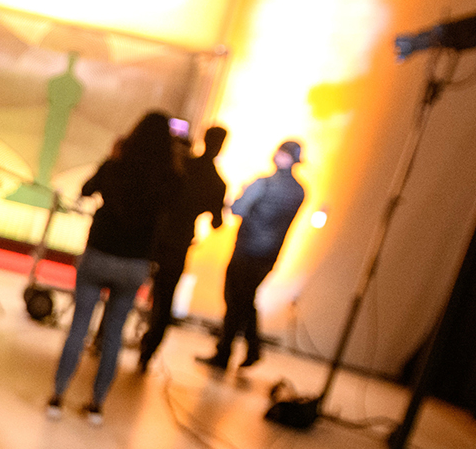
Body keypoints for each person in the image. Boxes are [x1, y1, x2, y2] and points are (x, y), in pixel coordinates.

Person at [48, 111, 183, 425]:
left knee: (79, 328)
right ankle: (96, 407)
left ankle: (57, 398)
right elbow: (173, 212)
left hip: (99, 254)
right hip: (134, 262)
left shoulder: (116, 165)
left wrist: (113, 158)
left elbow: (85, 189)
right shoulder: (170, 177)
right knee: (113, 336)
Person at [200, 139, 305, 370]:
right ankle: (251, 348)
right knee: (245, 300)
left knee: (236, 300)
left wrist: (242, 193)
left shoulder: (263, 184)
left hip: (246, 251)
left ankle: (226, 353)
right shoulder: (299, 191)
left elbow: (237, 209)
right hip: (269, 256)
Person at [138, 124, 228, 371]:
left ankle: (104, 338)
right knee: (164, 303)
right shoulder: (217, 183)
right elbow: (217, 222)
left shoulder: (183, 167)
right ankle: (147, 352)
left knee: (127, 288)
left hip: (157, 238)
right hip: (178, 245)